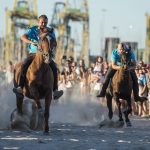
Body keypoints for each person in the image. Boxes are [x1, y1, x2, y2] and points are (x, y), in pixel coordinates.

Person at [13, 14, 63, 100]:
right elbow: (23, 37)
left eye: (45, 22)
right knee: (24, 65)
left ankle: (55, 90)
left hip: (46, 54)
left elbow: (54, 41)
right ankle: (20, 87)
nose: (43, 24)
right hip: (33, 54)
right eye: (42, 22)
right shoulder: (33, 29)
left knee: (54, 68)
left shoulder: (50, 31)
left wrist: (53, 47)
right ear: (38, 22)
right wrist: (31, 42)